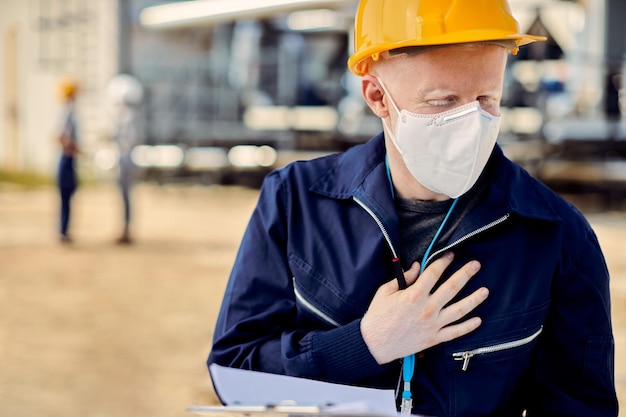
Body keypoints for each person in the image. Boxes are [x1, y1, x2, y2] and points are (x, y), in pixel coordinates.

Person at [208, 1, 619, 416]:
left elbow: (581, 407)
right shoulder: (296, 203)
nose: (470, 122)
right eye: (442, 102)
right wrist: (365, 343)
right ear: (376, 96)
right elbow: (234, 376)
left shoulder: (557, 235)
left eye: (486, 99)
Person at [106, 74, 144, 244]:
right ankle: (124, 228)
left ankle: (126, 229)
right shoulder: (133, 116)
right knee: (124, 196)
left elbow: (126, 139)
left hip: (126, 159)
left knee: (125, 195)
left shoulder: (127, 117)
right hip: (127, 158)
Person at [56, 78, 80, 243]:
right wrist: (75, 148)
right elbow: (60, 136)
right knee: (66, 196)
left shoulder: (67, 111)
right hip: (66, 159)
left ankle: (64, 230)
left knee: (69, 194)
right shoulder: (67, 112)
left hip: (68, 159)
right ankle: (63, 232)